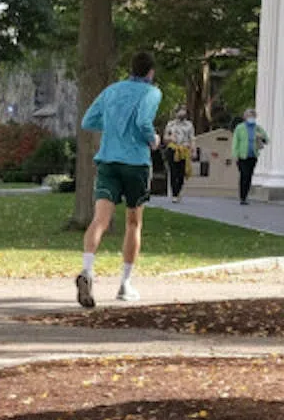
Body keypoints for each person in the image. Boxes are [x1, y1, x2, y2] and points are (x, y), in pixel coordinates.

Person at [76, 51, 161, 307]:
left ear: (131, 69)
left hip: (108, 159)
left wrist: (113, 126)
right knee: (133, 222)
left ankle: (87, 270)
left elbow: (88, 120)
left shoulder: (111, 90)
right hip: (136, 162)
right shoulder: (151, 93)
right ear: (151, 72)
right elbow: (144, 121)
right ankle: (125, 283)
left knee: (100, 219)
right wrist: (153, 140)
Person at [232, 108, 268, 205]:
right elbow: (235, 141)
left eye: (253, 116)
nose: (251, 118)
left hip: (253, 155)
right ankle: (242, 197)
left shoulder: (257, 128)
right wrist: (235, 154)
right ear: (245, 117)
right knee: (244, 175)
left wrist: (261, 136)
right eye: (249, 116)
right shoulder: (240, 128)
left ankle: (245, 195)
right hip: (242, 155)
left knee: (249, 176)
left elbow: (267, 139)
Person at [161, 110, 195, 199]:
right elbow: (165, 138)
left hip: (184, 150)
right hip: (172, 149)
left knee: (181, 172)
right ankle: (174, 194)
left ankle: (178, 190)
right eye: (179, 112)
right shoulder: (170, 124)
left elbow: (192, 138)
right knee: (173, 171)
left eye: (183, 112)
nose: (181, 113)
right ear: (176, 113)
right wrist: (170, 138)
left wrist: (193, 150)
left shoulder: (189, 125)